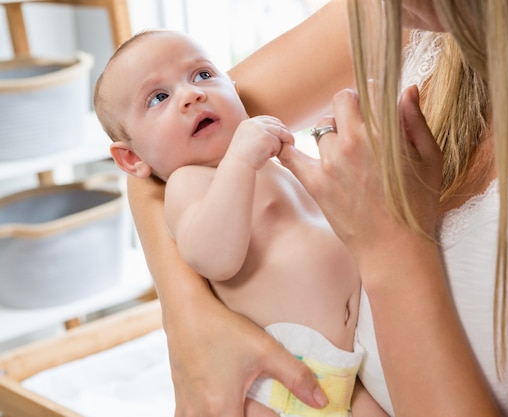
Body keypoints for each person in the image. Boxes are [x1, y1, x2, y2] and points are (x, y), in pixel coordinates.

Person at [131, 1, 508, 415]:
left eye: (198, 75)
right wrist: (191, 325)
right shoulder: (401, 14)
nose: (189, 92)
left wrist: (392, 245)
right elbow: (162, 145)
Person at [94, 29, 389, 416]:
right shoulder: (189, 184)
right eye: (158, 98)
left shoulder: (268, 160)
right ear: (132, 159)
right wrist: (239, 161)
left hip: (346, 367)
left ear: (234, 91)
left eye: (202, 75)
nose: (191, 94)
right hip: (278, 383)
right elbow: (212, 256)